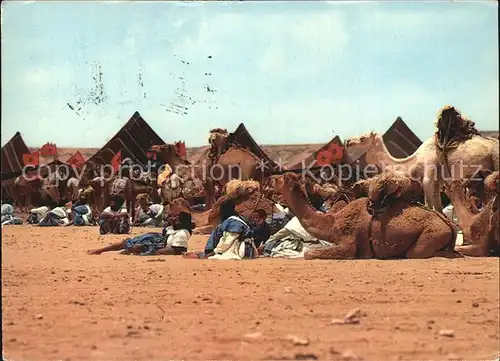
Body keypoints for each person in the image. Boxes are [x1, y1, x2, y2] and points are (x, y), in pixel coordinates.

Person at [87, 212, 195, 255]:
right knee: (127, 242)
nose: (174, 219)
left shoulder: (182, 234)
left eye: (177, 218)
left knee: (136, 246)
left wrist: (149, 250)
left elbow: (176, 250)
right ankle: (100, 250)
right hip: (155, 239)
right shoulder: (172, 228)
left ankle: (129, 250)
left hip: (158, 245)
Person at [183, 199, 257, 260]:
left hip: (241, 251)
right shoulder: (238, 219)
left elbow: (228, 240)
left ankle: (203, 254)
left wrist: (215, 251)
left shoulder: (232, 222)